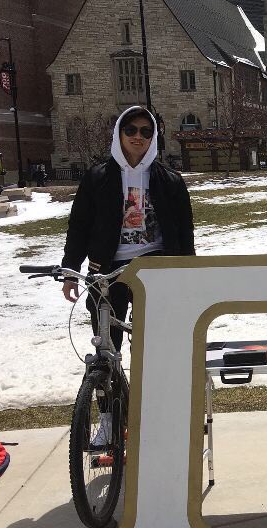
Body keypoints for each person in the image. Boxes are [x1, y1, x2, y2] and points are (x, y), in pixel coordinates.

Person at [62, 106, 196, 353]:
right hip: (108, 267)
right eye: (131, 130)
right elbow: (79, 227)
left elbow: (184, 231)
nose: (138, 136)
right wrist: (71, 271)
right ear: (119, 133)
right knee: (107, 344)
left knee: (155, 341)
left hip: (154, 264)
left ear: (153, 138)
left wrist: (187, 272)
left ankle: (151, 384)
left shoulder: (170, 180)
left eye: (146, 131)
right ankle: (110, 384)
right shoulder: (97, 177)